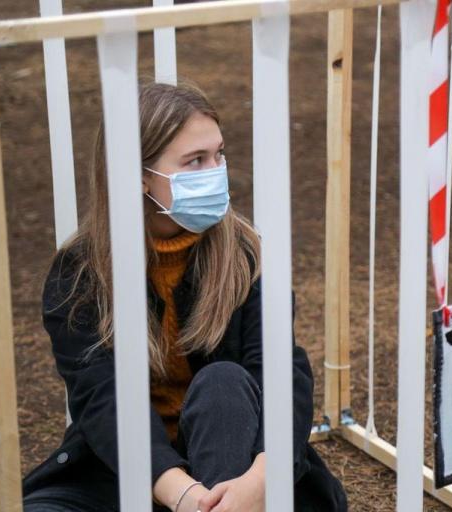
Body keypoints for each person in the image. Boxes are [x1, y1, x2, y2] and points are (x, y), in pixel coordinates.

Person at [21, 81, 347, 512]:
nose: (216, 171)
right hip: (131, 469)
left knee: (223, 383)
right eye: (196, 161)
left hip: (238, 465)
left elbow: (280, 372)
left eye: (219, 154)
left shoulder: (244, 254)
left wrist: (261, 479)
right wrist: (184, 495)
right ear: (139, 177)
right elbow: (102, 401)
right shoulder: (81, 273)